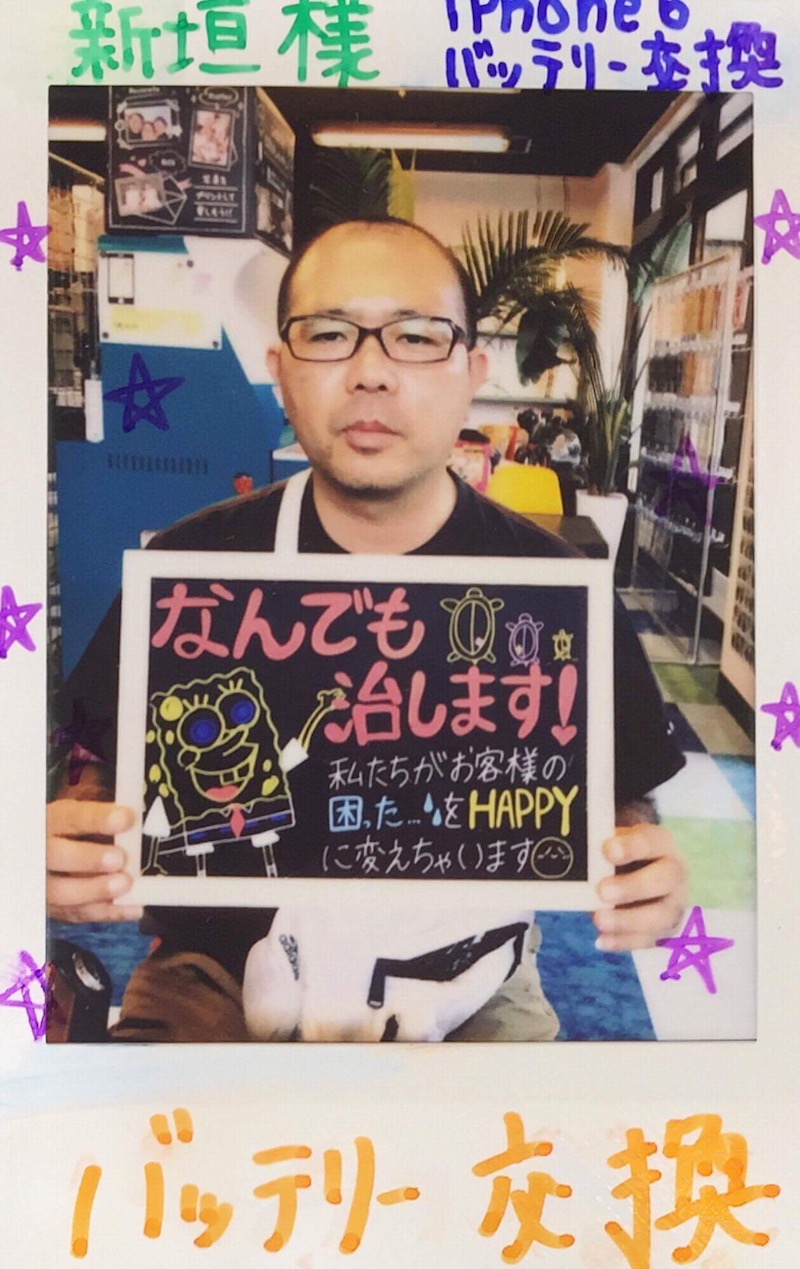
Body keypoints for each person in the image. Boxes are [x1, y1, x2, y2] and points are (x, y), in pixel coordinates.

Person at [47, 218, 687, 1042]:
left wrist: (641, 860)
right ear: (280, 371)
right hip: (215, 964)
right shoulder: (189, 568)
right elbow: (96, 763)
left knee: (510, 1123)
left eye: (416, 337)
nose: (371, 372)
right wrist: (76, 831)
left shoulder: (557, 590)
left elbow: (625, 793)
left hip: (468, 969)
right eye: (329, 334)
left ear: (472, 373)